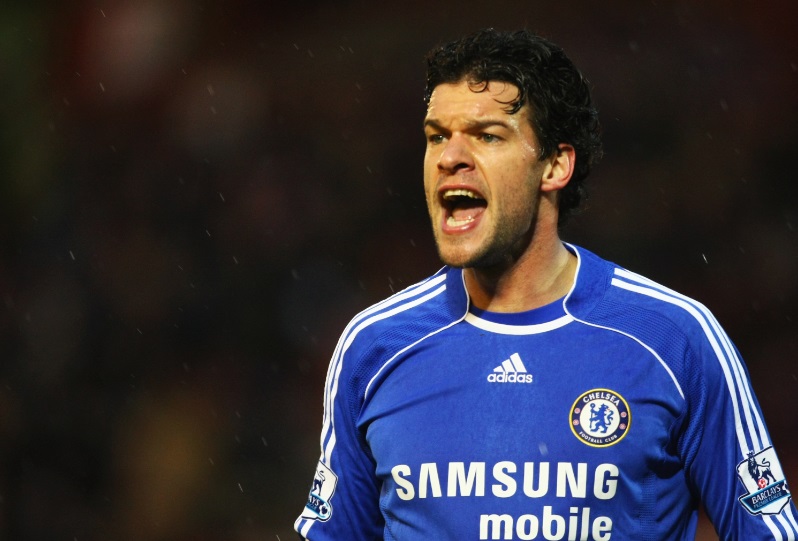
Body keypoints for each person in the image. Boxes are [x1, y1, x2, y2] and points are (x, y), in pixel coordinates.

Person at [293, 28, 798, 540]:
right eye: (437, 136)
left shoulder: (674, 338)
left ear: (555, 165)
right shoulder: (374, 346)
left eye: (487, 136)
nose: (450, 158)